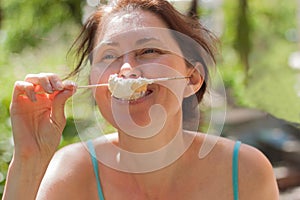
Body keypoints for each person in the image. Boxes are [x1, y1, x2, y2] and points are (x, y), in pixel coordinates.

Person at [3, 0, 279, 199]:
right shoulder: (70, 173)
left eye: (148, 50)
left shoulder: (246, 171)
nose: (126, 70)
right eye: (109, 56)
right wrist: (30, 159)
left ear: (192, 79)